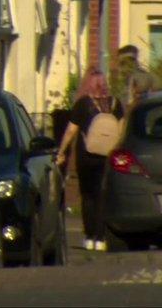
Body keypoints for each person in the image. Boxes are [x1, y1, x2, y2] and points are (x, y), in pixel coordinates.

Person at [55, 68, 123, 252]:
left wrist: (61, 151)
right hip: (108, 157)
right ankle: (101, 238)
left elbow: (71, 131)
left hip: (87, 157)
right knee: (102, 195)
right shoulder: (116, 104)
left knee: (87, 196)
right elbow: (122, 130)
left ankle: (89, 236)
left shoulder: (83, 104)